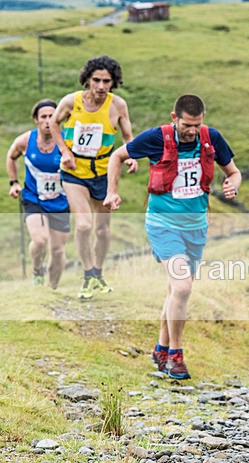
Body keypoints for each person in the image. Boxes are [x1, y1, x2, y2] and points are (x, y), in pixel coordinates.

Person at [105, 94, 241, 380]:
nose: (192, 131)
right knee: (182, 288)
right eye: (187, 125)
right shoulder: (156, 138)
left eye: (197, 125)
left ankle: (161, 348)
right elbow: (117, 156)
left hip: (196, 226)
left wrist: (232, 184)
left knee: (174, 289)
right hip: (163, 223)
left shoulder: (211, 137)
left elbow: (234, 171)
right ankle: (176, 356)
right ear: (174, 117)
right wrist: (112, 192)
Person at [50, 55, 137, 300]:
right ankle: (87, 274)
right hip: (74, 172)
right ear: (87, 80)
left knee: (102, 230)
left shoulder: (118, 105)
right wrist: (65, 152)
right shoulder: (71, 101)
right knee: (84, 224)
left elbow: (128, 135)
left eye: (106, 81)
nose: (100, 86)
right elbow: (54, 124)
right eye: (96, 80)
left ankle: (98, 272)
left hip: (103, 172)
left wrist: (131, 156)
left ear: (113, 82)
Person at [6, 99, 69, 288]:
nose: (48, 121)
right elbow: (11, 156)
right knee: (40, 240)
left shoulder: (67, 140)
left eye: (52, 116)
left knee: (57, 252)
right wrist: (14, 182)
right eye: (44, 117)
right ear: (36, 119)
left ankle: (52, 289)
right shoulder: (26, 140)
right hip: (34, 198)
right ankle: (37, 270)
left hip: (61, 201)